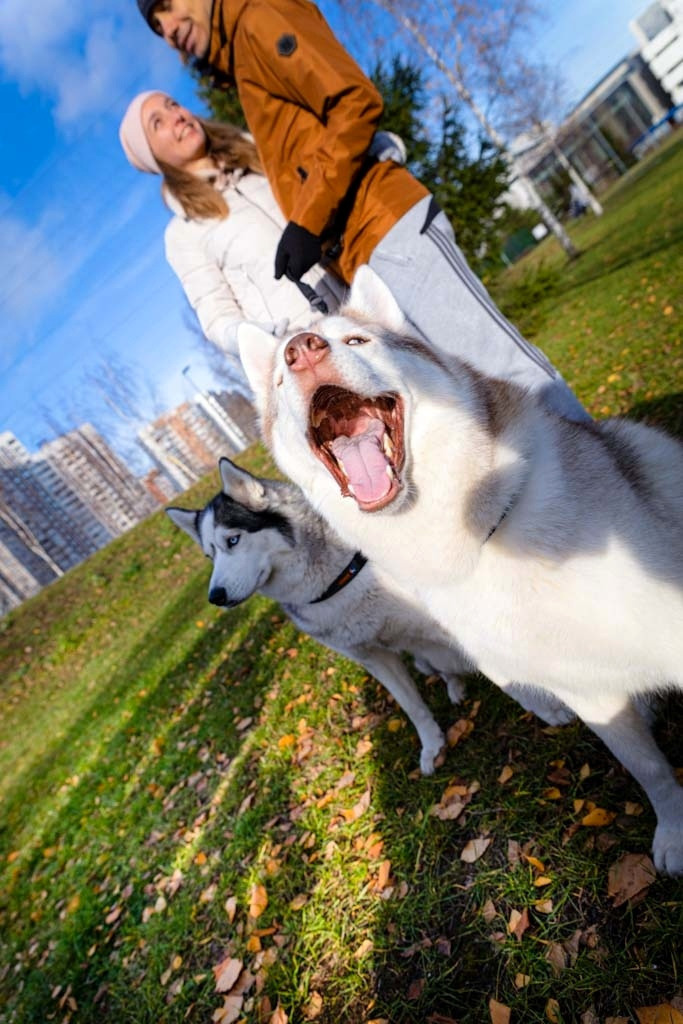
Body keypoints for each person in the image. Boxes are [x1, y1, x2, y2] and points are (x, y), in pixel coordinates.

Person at [136, 0, 588, 422]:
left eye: (168, 8)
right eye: (159, 29)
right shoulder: (240, 66)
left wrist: (310, 219)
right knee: (469, 398)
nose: (170, 31)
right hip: (359, 266)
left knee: (496, 366)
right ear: (150, 160)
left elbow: (352, 102)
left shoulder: (256, 18)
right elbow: (312, 148)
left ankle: (615, 481)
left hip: (385, 227)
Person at [119, 90, 344, 362]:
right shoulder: (184, 234)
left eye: (173, 104)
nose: (176, 116)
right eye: (158, 123)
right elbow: (216, 316)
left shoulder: (260, 157)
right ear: (153, 157)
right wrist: (248, 336)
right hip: (308, 351)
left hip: (359, 307)